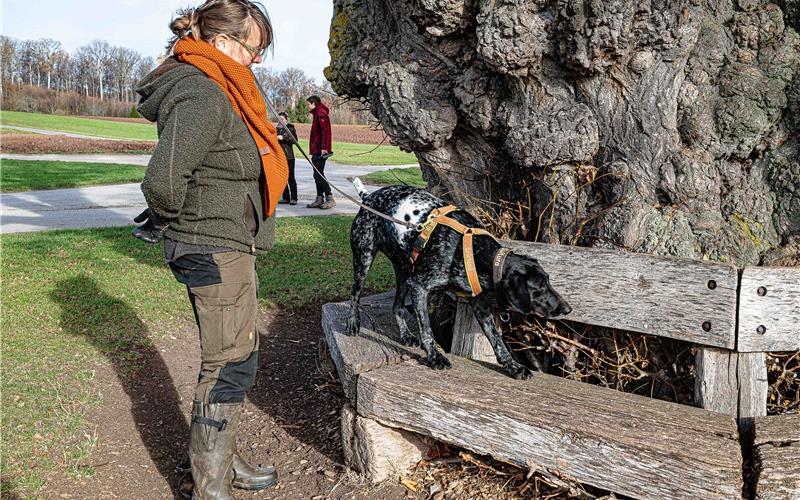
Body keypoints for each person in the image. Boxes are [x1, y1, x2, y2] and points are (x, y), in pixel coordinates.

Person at [131, 1, 287, 498]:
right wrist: (184, 225)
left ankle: (223, 460)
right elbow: (162, 182)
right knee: (230, 363)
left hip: (220, 242)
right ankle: (212, 485)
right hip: (213, 246)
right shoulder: (202, 94)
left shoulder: (220, 88)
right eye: (254, 48)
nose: (259, 60)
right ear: (220, 44)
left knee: (229, 355)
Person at [305, 94, 335, 209]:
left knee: (318, 174)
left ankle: (329, 197)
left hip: (321, 150)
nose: (307, 106)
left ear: (314, 104)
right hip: (316, 149)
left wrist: (324, 148)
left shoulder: (321, 112)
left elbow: (326, 131)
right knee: (316, 174)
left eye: (308, 104)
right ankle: (319, 198)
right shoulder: (317, 113)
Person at [276, 111, 298, 205]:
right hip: (280, 157)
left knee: (291, 178)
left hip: (289, 157)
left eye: (282, 119)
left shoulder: (290, 127)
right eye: (279, 119)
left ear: (286, 119)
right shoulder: (276, 129)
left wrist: (283, 138)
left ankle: (294, 198)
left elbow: (294, 140)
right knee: (282, 178)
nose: (280, 121)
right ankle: (286, 197)